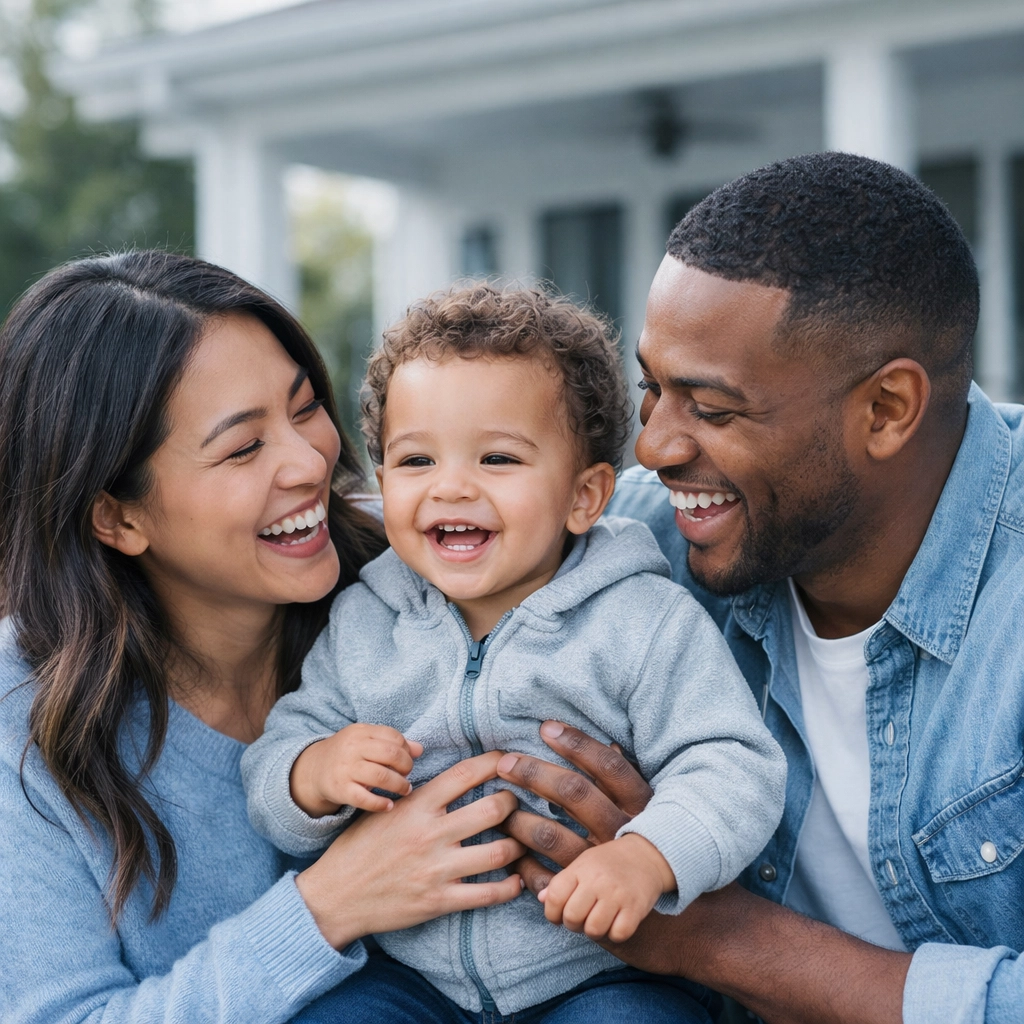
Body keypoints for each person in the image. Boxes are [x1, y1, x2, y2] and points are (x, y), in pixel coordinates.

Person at [493, 151, 1024, 1024]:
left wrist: (710, 934)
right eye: (651, 391)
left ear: (886, 409)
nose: (655, 448)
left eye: (713, 409)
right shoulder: (632, 545)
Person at [0, 251, 530, 1023]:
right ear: (116, 516)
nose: (310, 461)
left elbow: (610, 528)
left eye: (306, 405)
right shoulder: (21, 722)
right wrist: (327, 906)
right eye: (244, 448)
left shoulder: (422, 566)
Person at [242, 284, 786, 1021]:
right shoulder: (367, 618)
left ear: (585, 497)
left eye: (498, 458)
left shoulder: (641, 619)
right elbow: (279, 751)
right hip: (410, 977)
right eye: (416, 461)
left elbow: (731, 763)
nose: (452, 487)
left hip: (597, 971)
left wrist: (647, 856)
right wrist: (313, 771)